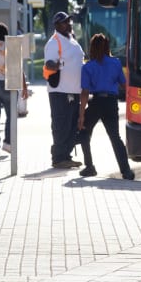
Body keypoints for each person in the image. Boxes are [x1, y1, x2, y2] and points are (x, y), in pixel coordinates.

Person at [77, 33, 134, 179]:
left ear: (92, 48)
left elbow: (85, 92)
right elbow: (124, 84)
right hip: (111, 103)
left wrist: (81, 115)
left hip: (96, 103)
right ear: (107, 47)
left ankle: (89, 167)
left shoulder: (88, 67)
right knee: (115, 137)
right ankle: (126, 171)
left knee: (84, 133)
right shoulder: (115, 63)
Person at [44, 11, 85, 169]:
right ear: (57, 25)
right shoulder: (54, 42)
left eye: (69, 21)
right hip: (60, 91)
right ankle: (58, 158)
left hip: (74, 90)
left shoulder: (72, 39)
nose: (68, 24)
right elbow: (48, 64)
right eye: (65, 22)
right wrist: (60, 65)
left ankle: (66, 156)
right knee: (61, 124)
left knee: (71, 125)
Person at [0, 22, 28, 157]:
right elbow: (18, 68)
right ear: (6, 34)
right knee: (11, 115)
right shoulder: (10, 47)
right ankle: (7, 143)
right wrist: (24, 87)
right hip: (6, 84)